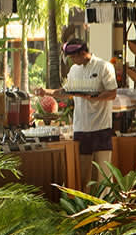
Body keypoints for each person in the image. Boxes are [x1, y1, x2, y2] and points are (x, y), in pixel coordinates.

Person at [38, 38, 118, 188]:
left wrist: (92, 97)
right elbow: (66, 91)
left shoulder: (104, 66)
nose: (72, 61)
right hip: (81, 129)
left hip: (101, 128)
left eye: (74, 57)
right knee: (83, 176)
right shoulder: (74, 70)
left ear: (83, 53)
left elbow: (112, 94)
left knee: (103, 175)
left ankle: (106, 202)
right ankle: (83, 202)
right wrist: (46, 92)